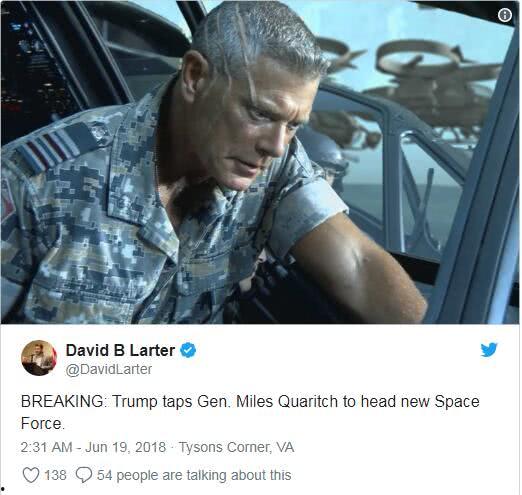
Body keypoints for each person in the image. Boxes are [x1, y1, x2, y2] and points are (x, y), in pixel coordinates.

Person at [1, 2, 426, 324]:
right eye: (259, 113)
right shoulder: (33, 182)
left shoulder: (273, 161)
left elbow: (358, 265)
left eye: (294, 124)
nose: (277, 146)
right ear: (195, 76)